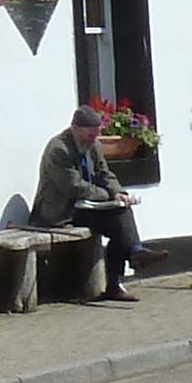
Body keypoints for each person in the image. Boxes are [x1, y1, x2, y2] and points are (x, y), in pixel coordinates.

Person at [30, 105, 144, 302]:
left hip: (86, 207)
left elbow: (104, 173)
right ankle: (135, 254)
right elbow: (73, 187)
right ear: (75, 129)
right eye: (88, 136)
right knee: (118, 219)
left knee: (121, 217)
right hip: (61, 211)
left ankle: (123, 272)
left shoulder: (94, 145)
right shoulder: (58, 149)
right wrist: (108, 196)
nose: (92, 140)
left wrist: (118, 193)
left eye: (95, 135)